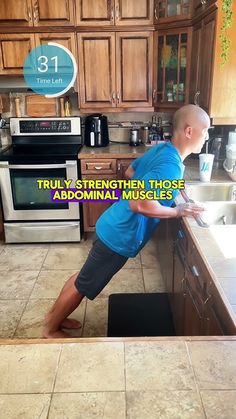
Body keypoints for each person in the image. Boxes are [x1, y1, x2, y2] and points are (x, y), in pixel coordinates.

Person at [43, 104, 210, 338]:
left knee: (84, 277)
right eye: (206, 131)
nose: (207, 136)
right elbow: (139, 204)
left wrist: (164, 191)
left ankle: (54, 316)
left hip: (112, 223)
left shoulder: (164, 150)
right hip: (118, 236)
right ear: (189, 131)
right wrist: (178, 211)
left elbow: (131, 172)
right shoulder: (171, 165)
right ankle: (50, 329)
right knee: (85, 284)